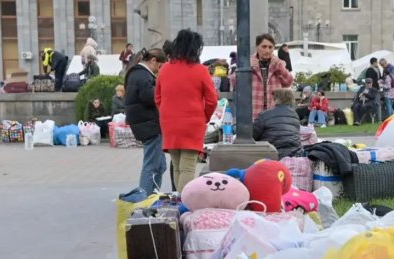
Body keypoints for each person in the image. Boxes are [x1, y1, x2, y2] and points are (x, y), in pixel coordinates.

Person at [155, 29, 218, 192]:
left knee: (176, 165)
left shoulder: (165, 69)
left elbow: (158, 97)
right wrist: (204, 116)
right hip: (192, 122)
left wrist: (166, 112)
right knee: (188, 166)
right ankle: (184, 200)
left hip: (169, 122)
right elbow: (212, 99)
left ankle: (177, 197)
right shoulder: (200, 70)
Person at [125, 48, 168, 193]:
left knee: (160, 165)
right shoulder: (143, 75)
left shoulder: (136, 73)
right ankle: (145, 197)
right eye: (160, 67)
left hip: (144, 123)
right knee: (152, 165)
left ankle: (151, 194)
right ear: (153, 60)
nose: (159, 71)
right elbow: (150, 97)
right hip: (149, 124)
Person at [232, 34, 294, 120]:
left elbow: (289, 82)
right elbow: (233, 82)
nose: (267, 50)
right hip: (253, 112)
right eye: (264, 47)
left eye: (270, 47)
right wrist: (246, 69)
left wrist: (280, 68)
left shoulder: (279, 63)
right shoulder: (247, 62)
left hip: (273, 114)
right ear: (257, 47)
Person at [254, 88, 304, 158]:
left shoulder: (264, 115)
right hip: (294, 154)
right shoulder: (295, 115)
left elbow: (252, 136)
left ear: (276, 100)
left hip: (271, 154)